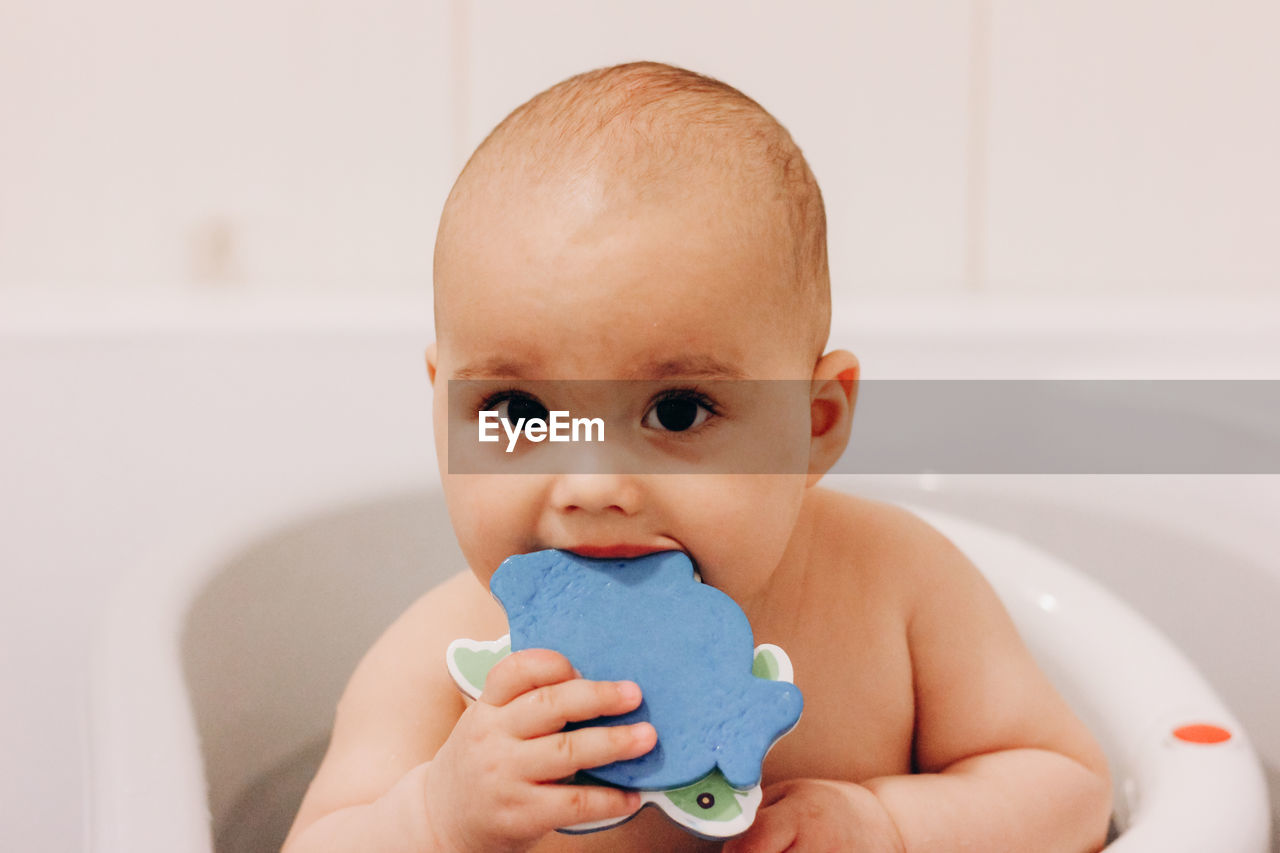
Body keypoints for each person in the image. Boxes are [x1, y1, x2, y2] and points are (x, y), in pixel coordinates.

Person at [283, 60, 1112, 852]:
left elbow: (1070, 790)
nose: (594, 485)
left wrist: (890, 827)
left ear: (814, 424)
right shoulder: (439, 664)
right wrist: (435, 820)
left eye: (677, 411)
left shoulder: (900, 592)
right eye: (520, 411)